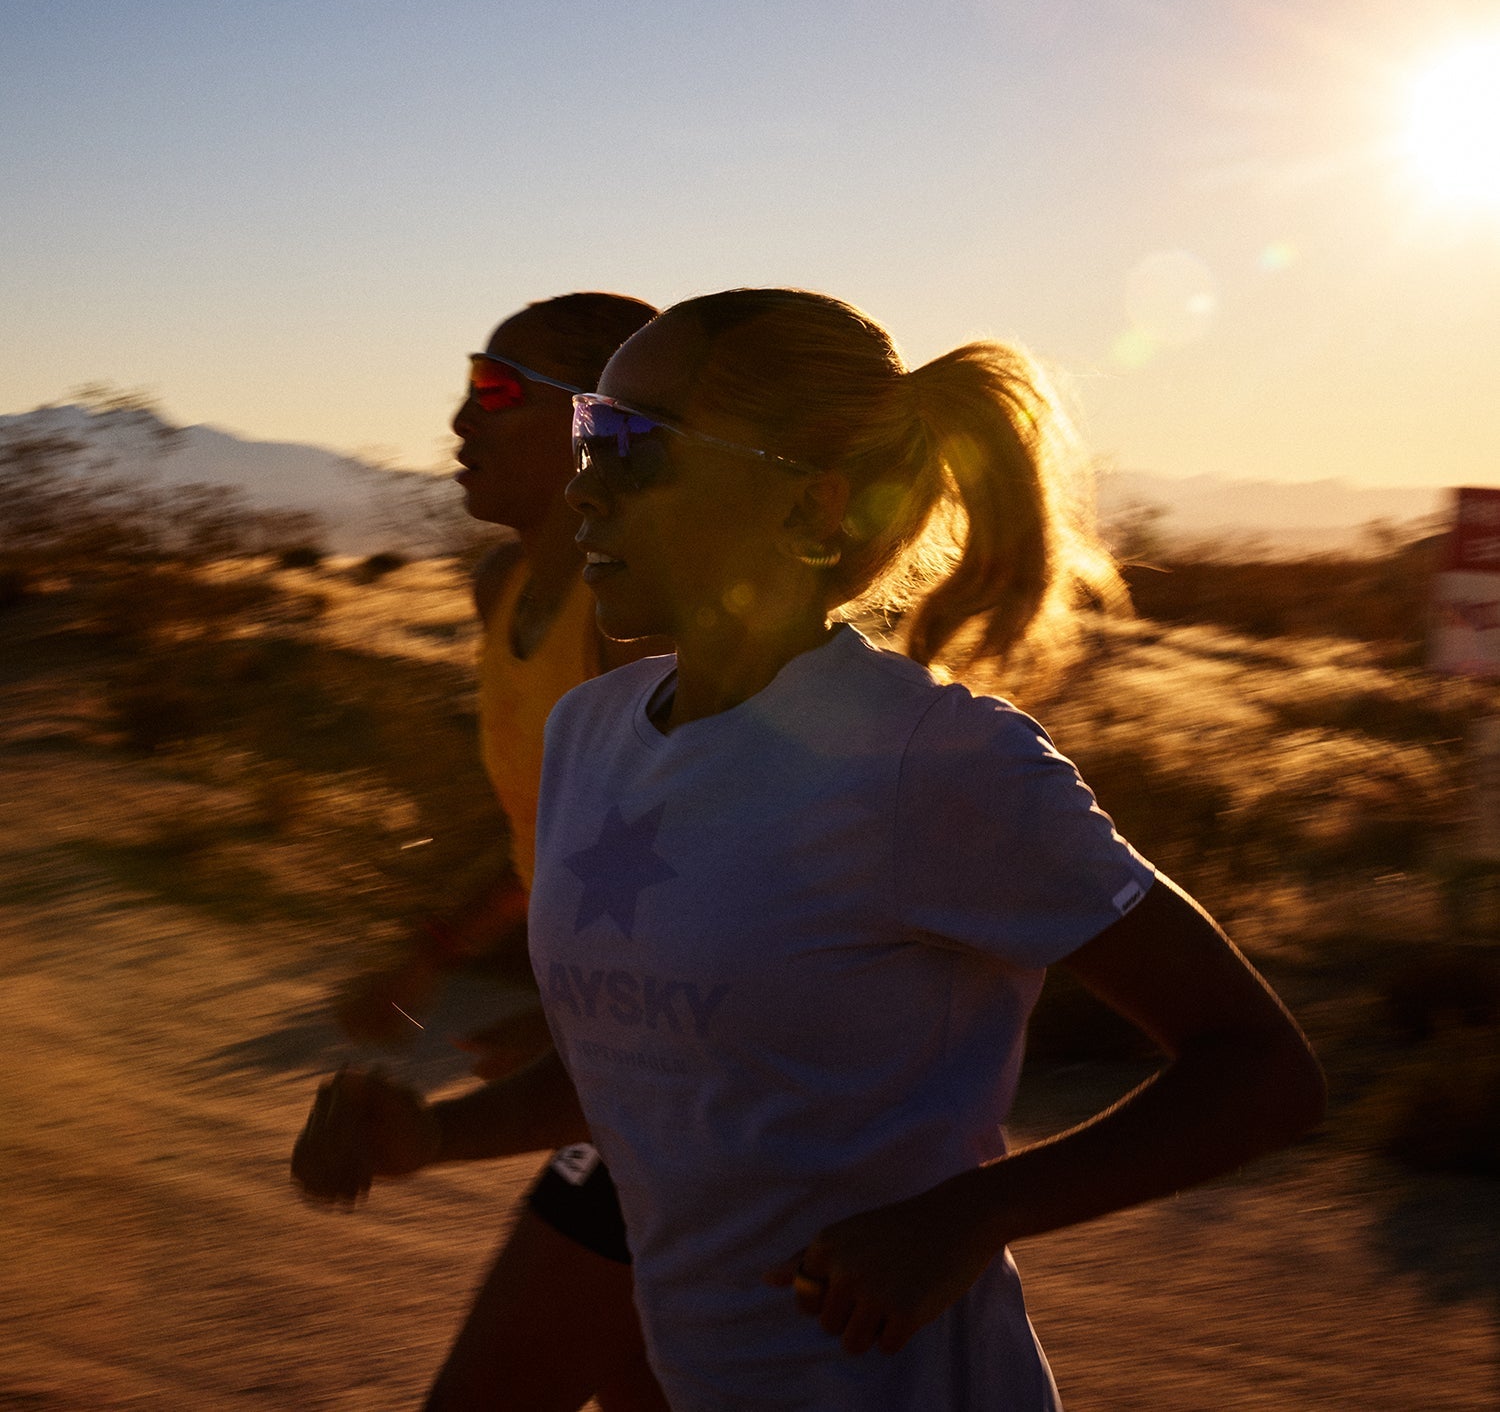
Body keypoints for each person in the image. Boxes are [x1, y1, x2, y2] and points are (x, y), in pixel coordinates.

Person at [296, 289, 1326, 1410]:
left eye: (635, 446)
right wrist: (426, 1138)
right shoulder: (593, 732)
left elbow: (1262, 1072)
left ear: (815, 501)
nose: (587, 483)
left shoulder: (932, 759)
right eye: (590, 432)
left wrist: (967, 1218)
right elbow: (645, 1076)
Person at [301, 291, 670, 1412]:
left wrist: (574, 1019)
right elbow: (553, 844)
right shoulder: (502, 590)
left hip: (688, 1097)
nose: (461, 422)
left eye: (496, 390)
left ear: (597, 427)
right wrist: (429, 956)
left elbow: (704, 873)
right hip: (639, 1087)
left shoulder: (637, 617)